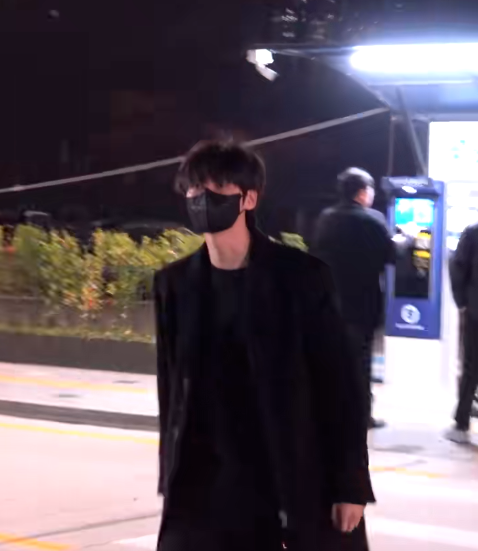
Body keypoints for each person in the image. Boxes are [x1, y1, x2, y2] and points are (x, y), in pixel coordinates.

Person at [154, 142, 375, 551]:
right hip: (205, 486)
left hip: (286, 475)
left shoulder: (301, 277)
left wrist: (350, 484)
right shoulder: (175, 284)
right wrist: (170, 475)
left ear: (248, 198)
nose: (202, 199)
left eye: (217, 189)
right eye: (194, 189)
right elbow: (171, 388)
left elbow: (340, 387)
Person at [311, 168, 395, 430]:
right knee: (360, 363)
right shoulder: (373, 220)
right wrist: (405, 240)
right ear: (362, 192)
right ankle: (361, 416)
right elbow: (391, 256)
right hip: (362, 305)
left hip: (331, 303)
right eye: (370, 190)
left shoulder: (326, 219)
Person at [447, 223, 478, 444]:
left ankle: (462, 421)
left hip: (476, 311)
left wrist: (463, 303)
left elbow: (457, 267)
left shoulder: (473, 232)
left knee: (471, 366)